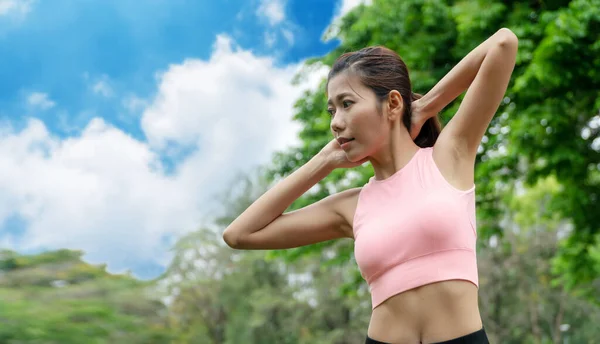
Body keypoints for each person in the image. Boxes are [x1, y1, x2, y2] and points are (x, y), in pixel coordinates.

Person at [223, 27, 518, 344]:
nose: (335, 121)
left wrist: (426, 105)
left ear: (392, 104)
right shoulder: (351, 207)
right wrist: (323, 162)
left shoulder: (449, 156)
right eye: (331, 110)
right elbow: (240, 234)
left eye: (346, 103)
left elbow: (503, 43)